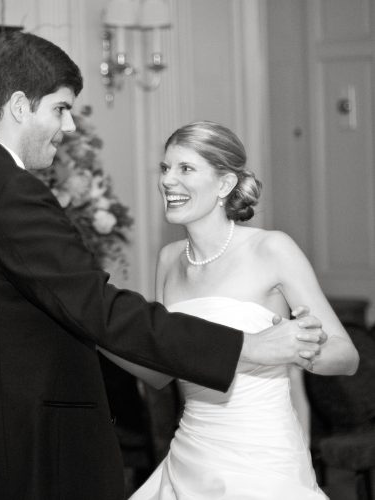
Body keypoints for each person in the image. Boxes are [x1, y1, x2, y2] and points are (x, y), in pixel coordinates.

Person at [0, 33, 326, 500]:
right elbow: (100, 310)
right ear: (19, 106)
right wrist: (245, 346)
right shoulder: (11, 192)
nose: (69, 125)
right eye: (60, 108)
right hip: (21, 456)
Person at [100, 120, 359, 499]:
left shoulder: (271, 249)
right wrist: (93, 330)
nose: (167, 180)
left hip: (262, 458)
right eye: (165, 168)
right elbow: (161, 370)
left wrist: (298, 350)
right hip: (191, 454)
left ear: (224, 184)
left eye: (185, 168)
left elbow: (347, 356)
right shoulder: (169, 259)